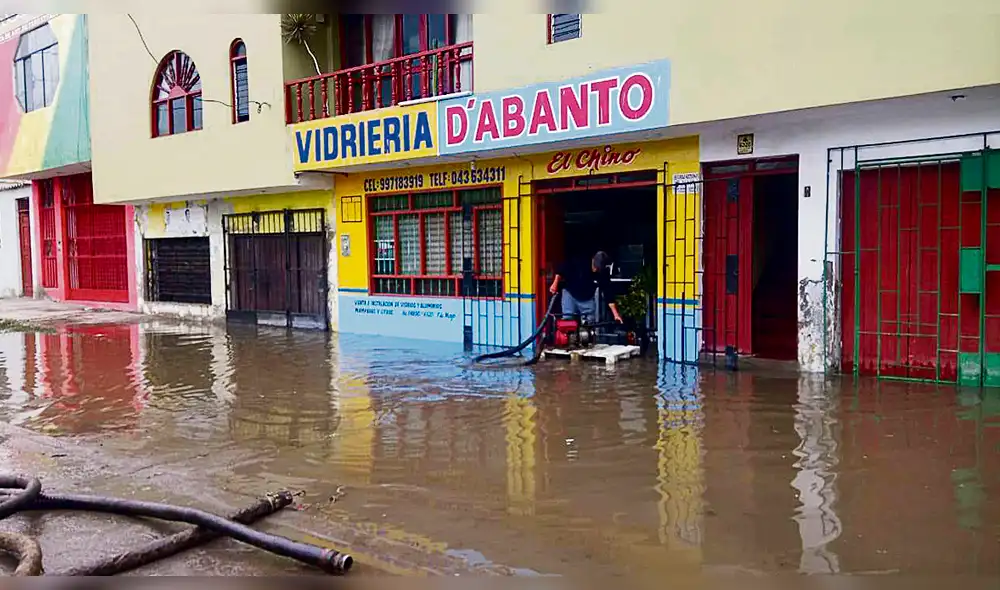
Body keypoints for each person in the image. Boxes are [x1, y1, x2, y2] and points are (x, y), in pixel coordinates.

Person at [549, 251, 623, 324]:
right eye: (595, 267)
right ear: (593, 260)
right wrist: (555, 284)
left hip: (587, 298)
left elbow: (608, 293)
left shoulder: (603, 273)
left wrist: (616, 314)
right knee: (568, 321)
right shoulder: (579, 261)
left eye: (598, 269)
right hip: (570, 294)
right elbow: (561, 269)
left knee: (591, 323)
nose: (595, 270)